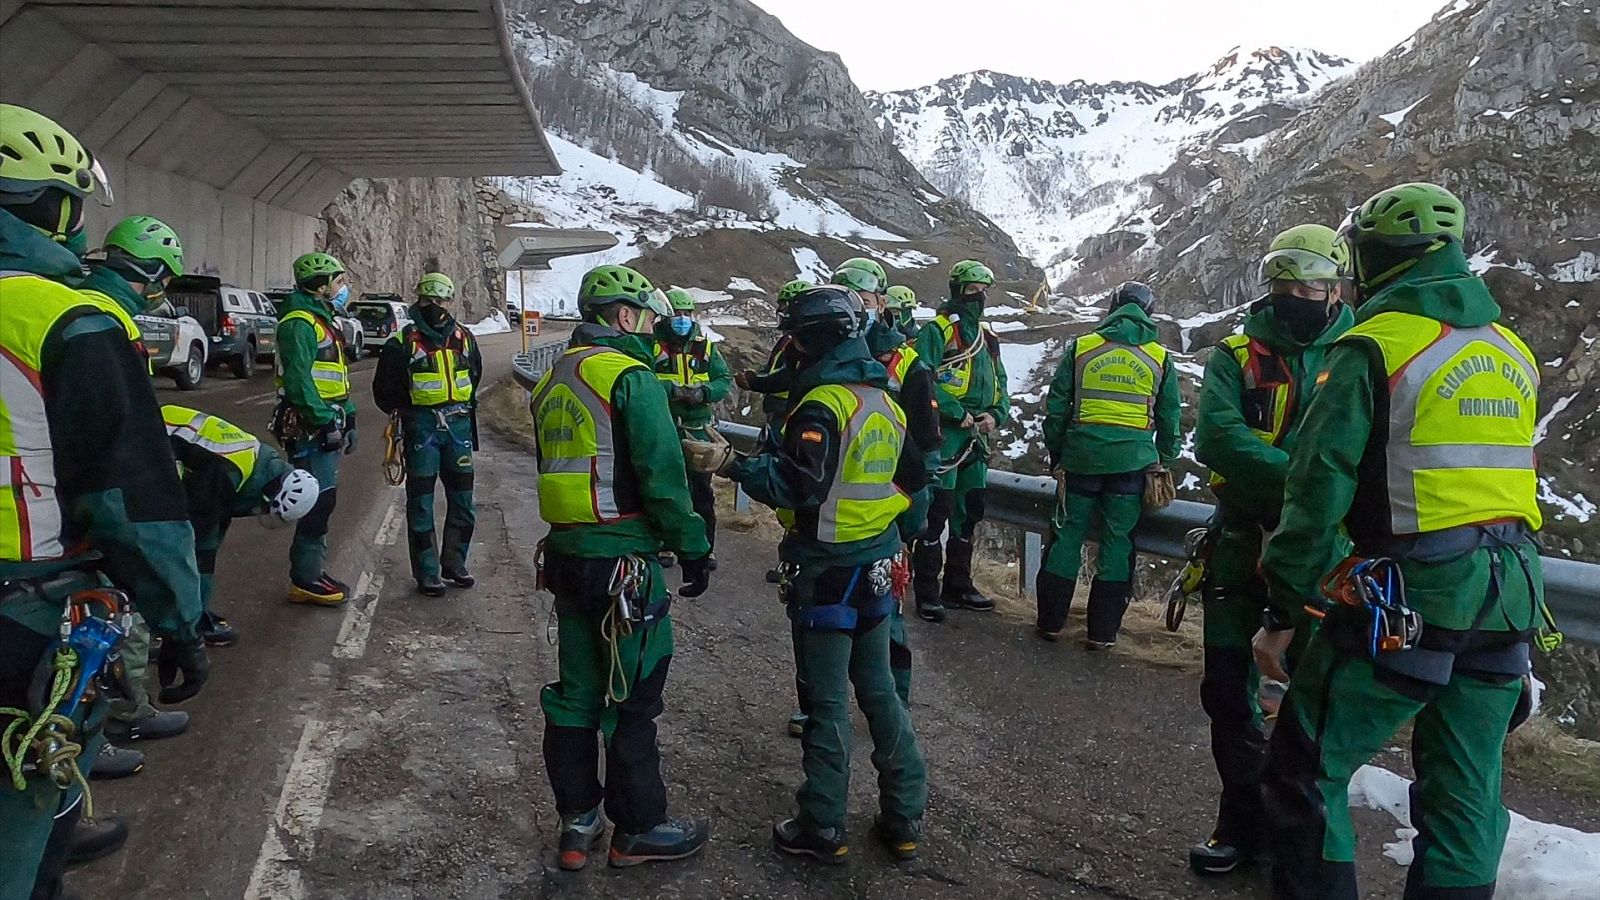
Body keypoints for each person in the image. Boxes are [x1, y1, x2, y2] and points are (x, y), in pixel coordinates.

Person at [1255, 183, 1548, 900]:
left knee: (1306, 767)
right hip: (1510, 596)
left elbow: (1315, 491)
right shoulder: (1512, 350)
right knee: (1465, 793)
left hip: (1413, 596)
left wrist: (1288, 609)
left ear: (1376, 258)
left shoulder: (1374, 347)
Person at [0, 104, 208, 900]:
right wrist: (179, 624)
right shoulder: (66, 318)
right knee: (24, 831)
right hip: (27, 612)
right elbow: (134, 503)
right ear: (53, 208)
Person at [703, 284, 928, 863]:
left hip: (827, 570)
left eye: (794, 335)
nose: (790, 346)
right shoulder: (883, 399)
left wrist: (732, 463)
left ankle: (822, 824)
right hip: (877, 565)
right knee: (880, 693)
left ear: (812, 339)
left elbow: (800, 484)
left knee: (827, 702)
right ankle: (903, 816)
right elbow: (912, 480)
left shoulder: (822, 405)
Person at [528, 264, 712, 871]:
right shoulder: (631, 377)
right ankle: (638, 829)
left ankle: (577, 824)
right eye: (650, 318)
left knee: (576, 695)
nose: (657, 328)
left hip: (567, 558)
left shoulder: (553, 378)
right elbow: (664, 476)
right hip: (624, 564)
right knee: (632, 696)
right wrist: (693, 547)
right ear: (626, 317)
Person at [1187, 224, 1354, 875]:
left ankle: (1300, 839)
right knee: (1230, 693)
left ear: (1336, 286)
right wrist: (1313, 481)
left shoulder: (1360, 354)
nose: (1299, 294)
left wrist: (1307, 493)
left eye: (1311, 282)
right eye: (1287, 283)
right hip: (1240, 548)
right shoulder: (1236, 357)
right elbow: (1220, 439)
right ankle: (1240, 825)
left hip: (1324, 559)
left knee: (1309, 702)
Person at [781, 261, 938, 738]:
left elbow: (921, 460)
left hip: (878, 526)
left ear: (880, 305)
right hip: (821, 527)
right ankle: (817, 707)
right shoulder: (814, 360)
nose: (857, 309)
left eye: (864, 300)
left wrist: (908, 527)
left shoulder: (907, 365)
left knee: (885, 625)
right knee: (813, 629)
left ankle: (893, 706)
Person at [1036, 281, 1180, 648]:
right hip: (1131, 467)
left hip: (1082, 459)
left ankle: (1051, 623)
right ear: (1148, 312)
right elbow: (1169, 418)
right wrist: (1163, 460)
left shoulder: (1083, 348)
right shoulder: (1159, 357)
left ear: (1113, 307)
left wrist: (1059, 455)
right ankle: (1102, 634)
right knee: (1118, 545)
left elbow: (1056, 409)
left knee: (1067, 538)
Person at [163, 405, 320, 642]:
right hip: (145, 437)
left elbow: (214, 526)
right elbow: (193, 537)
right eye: (266, 507)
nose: (259, 511)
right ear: (271, 494)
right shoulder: (229, 474)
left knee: (198, 548)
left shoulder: (264, 462)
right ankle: (158, 624)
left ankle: (190, 614)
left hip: (163, 434)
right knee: (161, 542)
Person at [372, 272, 483, 596]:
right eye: (429, 301)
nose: (436, 307)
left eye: (441, 301)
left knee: (463, 501)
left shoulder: (465, 338)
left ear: (451, 302)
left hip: (459, 428)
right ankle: (427, 572)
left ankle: (454, 563)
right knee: (421, 504)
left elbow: (475, 376)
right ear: (418, 301)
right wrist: (407, 414)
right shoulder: (402, 342)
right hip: (422, 430)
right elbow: (384, 390)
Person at [912, 260, 1009, 621]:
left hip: (975, 440)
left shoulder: (989, 338)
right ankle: (926, 591)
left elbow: (1000, 384)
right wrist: (955, 412)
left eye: (984, 290)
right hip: (945, 437)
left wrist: (995, 414)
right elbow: (921, 381)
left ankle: (958, 584)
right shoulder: (936, 332)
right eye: (972, 290)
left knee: (969, 511)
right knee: (936, 514)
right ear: (957, 290)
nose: (980, 296)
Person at [273, 251, 356, 606]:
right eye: (337, 282)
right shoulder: (299, 324)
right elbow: (298, 382)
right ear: (320, 286)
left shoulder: (322, 320)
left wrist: (348, 414)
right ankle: (305, 578)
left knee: (325, 498)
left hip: (327, 417)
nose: (343, 288)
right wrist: (323, 421)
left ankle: (312, 570)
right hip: (310, 424)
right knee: (317, 501)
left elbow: (335, 376)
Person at [653, 288, 732, 569]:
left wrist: (704, 392)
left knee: (701, 493)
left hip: (698, 429)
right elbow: (641, 380)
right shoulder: (653, 345)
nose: (682, 319)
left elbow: (724, 378)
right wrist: (671, 390)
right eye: (677, 314)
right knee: (665, 488)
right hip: (665, 428)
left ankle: (705, 548)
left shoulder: (705, 346)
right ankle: (665, 545)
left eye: (687, 314)